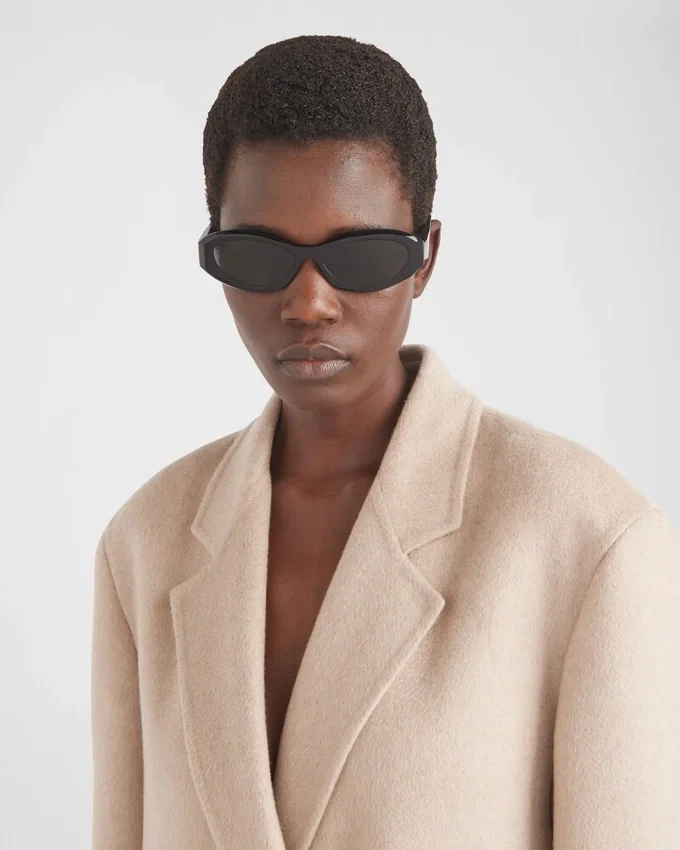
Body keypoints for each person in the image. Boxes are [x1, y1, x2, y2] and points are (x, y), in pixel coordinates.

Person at [91, 34, 680, 850]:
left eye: (361, 255)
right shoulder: (144, 544)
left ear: (424, 258)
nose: (309, 304)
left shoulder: (589, 540)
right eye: (257, 255)